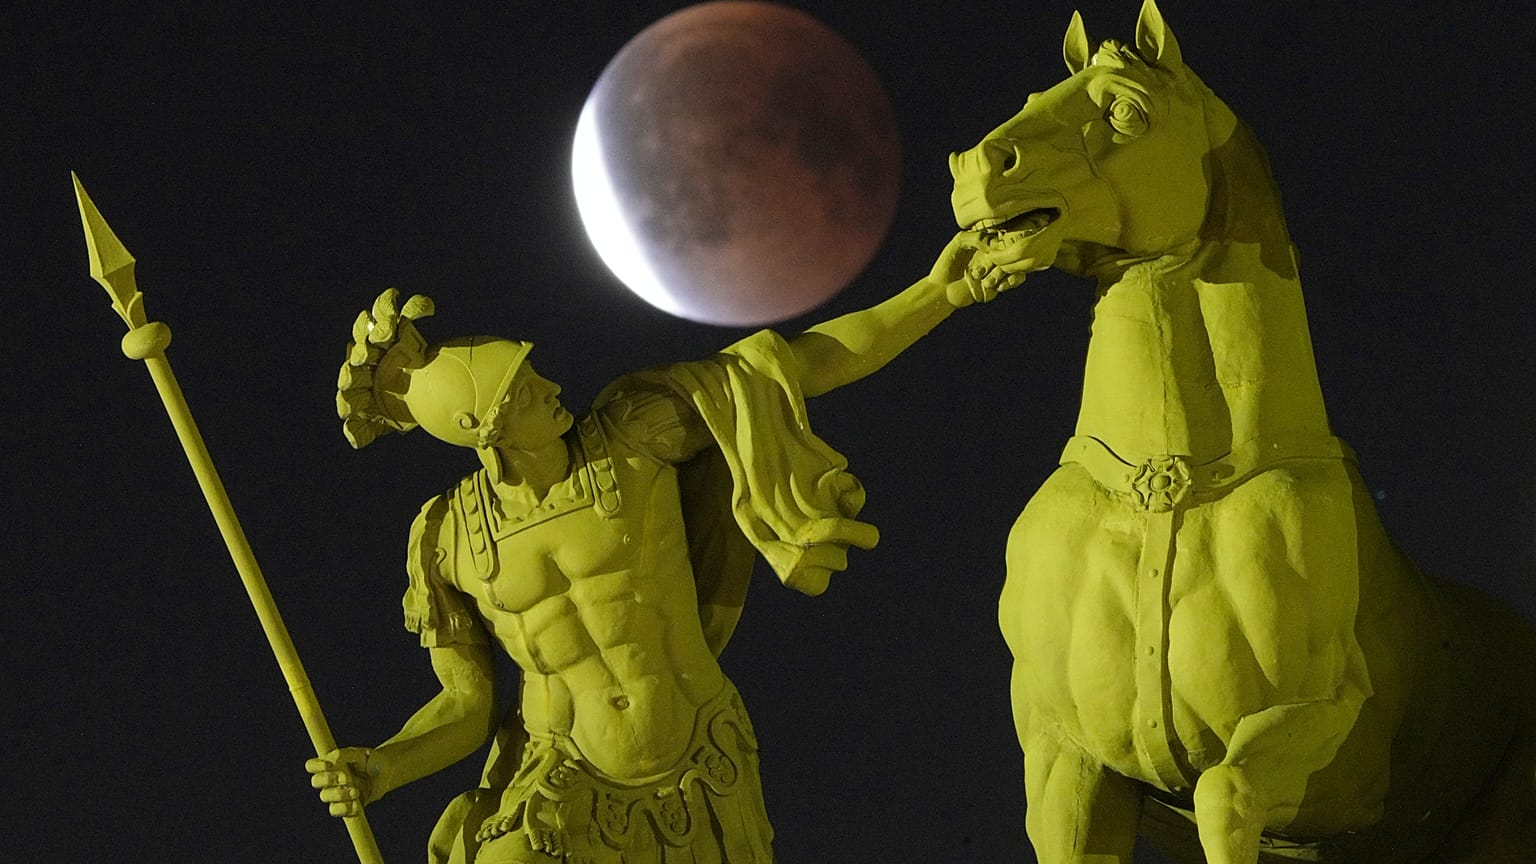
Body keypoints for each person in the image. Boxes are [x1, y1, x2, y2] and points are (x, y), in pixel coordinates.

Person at [306, 233, 1017, 863]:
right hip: (563, 779)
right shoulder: (448, 538)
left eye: (536, 373)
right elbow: (465, 705)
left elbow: (798, 367)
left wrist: (937, 293)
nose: (553, 388)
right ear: (481, 429)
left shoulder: (635, 435)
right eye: (525, 392)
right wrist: (383, 768)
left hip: (700, 765)